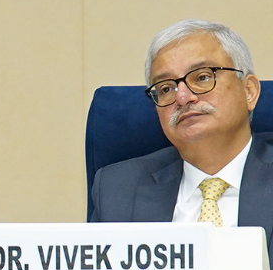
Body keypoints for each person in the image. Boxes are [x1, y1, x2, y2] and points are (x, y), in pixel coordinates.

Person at [91, 20, 273, 252]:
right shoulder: (119, 189)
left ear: (249, 91)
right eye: (166, 88)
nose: (183, 97)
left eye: (202, 77)